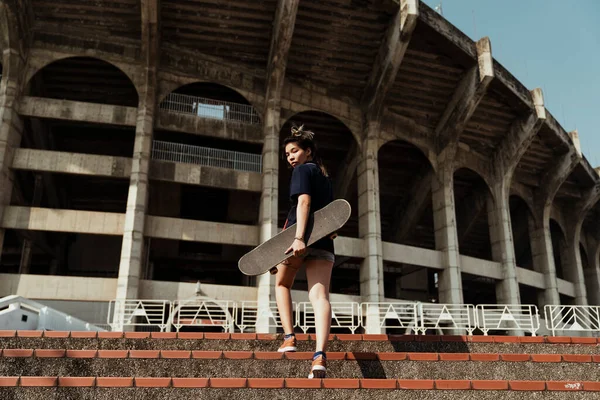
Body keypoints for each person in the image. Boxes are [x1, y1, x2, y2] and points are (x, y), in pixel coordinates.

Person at [275, 124, 335, 379]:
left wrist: (299, 238)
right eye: (287, 153)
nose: (290, 156)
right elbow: (332, 215)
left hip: (296, 239)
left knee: (282, 285)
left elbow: (304, 201)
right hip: (323, 242)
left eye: (294, 150)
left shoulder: (302, 171)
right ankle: (319, 356)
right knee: (320, 297)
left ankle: (289, 338)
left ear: (307, 152)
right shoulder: (324, 176)